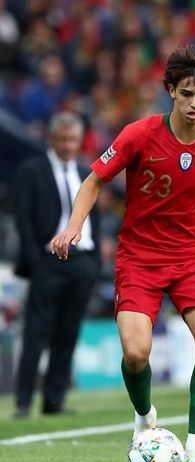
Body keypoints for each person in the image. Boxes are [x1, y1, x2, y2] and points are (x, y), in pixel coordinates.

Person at [52, 47, 195, 462]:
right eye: (186, 93)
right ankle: (145, 415)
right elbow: (93, 181)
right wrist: (74, 226)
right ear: (170, 90)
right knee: (135, 354)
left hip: (189, 258)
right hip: (139, 259)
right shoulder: (139, 134)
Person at [13, 111, 100, 418]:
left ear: (79, 141)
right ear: (51, 139)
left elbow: (95, 217)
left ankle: (54, 401)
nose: (67, 145)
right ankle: (23, 402)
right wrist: (34, 259)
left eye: (73, 140)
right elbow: (22, 217)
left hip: (82, 263)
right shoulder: (31, 171)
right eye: (62, 139)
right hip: (47, 262)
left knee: (68, 332)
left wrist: (95, 261)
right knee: (35, 332)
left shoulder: (86, 172)